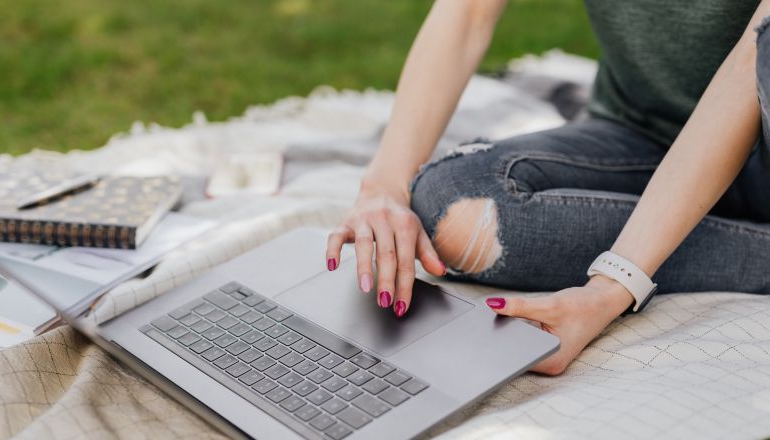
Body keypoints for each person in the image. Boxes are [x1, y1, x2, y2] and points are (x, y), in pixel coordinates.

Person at [324, 0, 770, 375]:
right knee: (460, 212)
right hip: (640, 132)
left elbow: (747, 68)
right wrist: (383, 187)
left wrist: (611, 288)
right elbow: (469, 11)